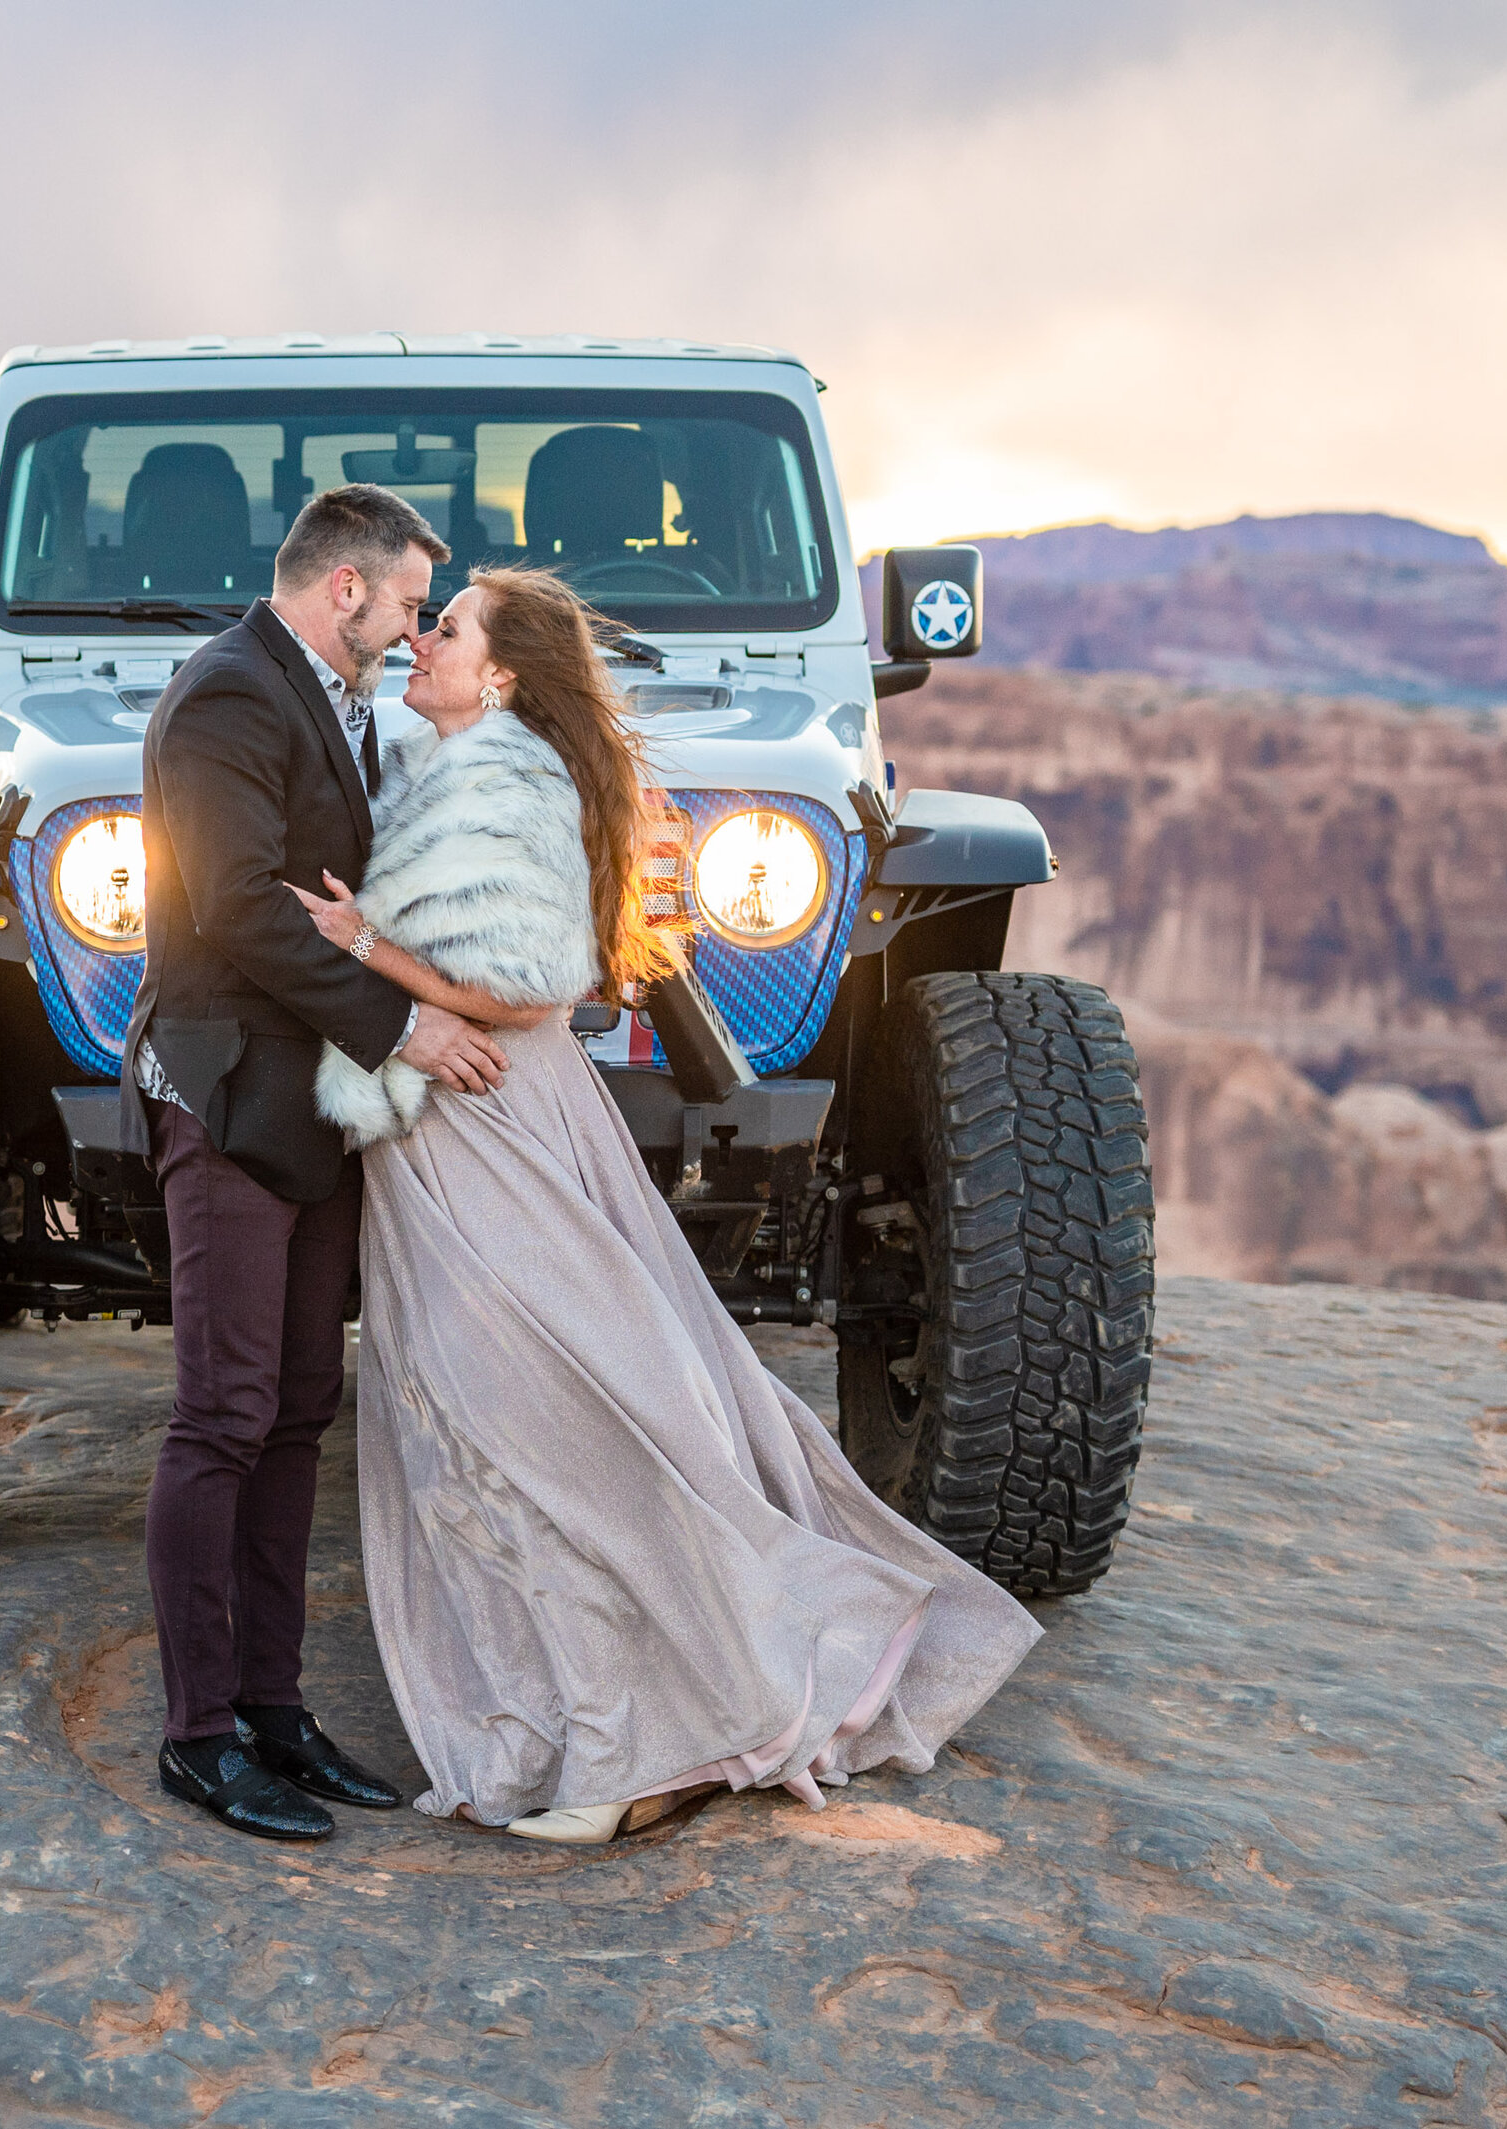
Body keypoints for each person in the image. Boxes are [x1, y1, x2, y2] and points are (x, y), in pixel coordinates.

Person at [292, 567, 1042, 1844]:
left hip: (493, 1124)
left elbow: (531, 990)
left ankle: (631, 1751)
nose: (424, 638)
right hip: (441, 1135)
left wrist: (361, 950)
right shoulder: (449, 762)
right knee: (475, 1435)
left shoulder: (513, 781)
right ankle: (574, 1729)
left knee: (534, 1425)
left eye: (449, 627)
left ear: (506, 674)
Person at [124, 483, 515, 1843]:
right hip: (232, 1095)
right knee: (220, 1415)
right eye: (409, 603)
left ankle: (275, 1714)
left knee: (295, 1408)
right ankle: (195, 1735)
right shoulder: (229, 695)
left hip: (318, 1111)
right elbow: (233, 913)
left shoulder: (328, 700)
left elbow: (336, 901)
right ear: (344, 588)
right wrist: (408, 1022)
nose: (414, 630)